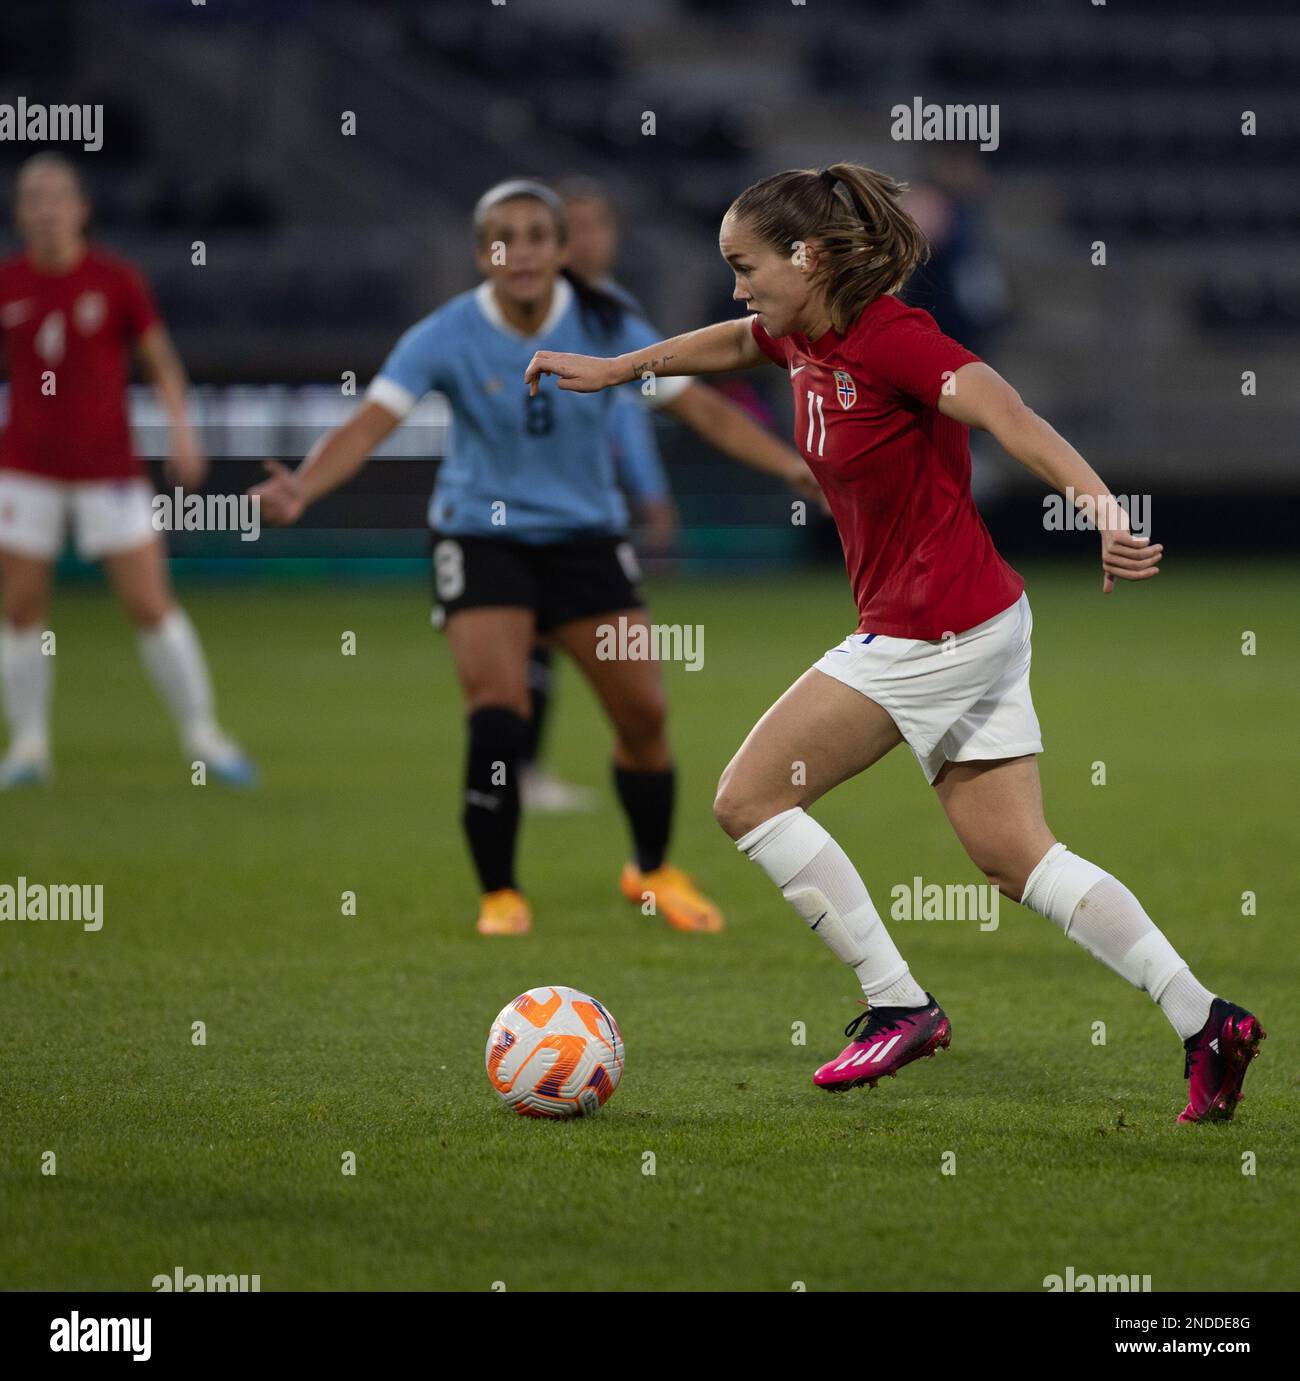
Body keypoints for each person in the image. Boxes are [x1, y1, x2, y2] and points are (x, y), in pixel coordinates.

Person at [523, 162, 1264, 1124]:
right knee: (1017, 856)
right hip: (980, 619)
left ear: (811, 256)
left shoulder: (897, 340)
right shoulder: (800, 332)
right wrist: (624, 369)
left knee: (747, 799)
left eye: (746, 264)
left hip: (932, 628)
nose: (737, 285)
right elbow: (732, 342)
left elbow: (1010, 414)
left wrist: (1101, 508)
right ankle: (1208, 1020)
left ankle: (897, 1001)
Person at [252, 177, 817, 938]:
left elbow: (699, 405)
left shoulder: (607, 319)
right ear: (481, 252)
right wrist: (304, 488)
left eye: (536, 236)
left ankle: (650, 870)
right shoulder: (444, 334)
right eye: (502, 237)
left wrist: (788, 466)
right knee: (498, 714)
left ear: (561, 249)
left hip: (587, 540)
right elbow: (368, 424)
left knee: (644, 713)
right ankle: (500, 893)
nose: (519, 252)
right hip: (481, 541)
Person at [0, 153, 256, 788]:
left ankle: (203, 735)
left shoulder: (117, 281)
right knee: (21, 607)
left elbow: (161, 362)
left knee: (149, 601)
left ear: (82, 209)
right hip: (25, 468)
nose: (46, 208)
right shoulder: (7, 284)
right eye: (33, 197)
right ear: (19, 212)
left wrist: (182, 430)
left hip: (108, 467)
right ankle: (29, 746)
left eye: (58, 196)